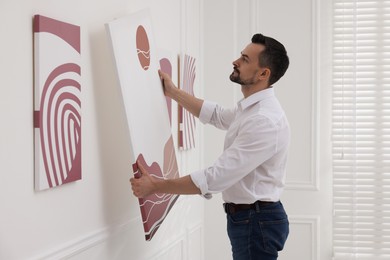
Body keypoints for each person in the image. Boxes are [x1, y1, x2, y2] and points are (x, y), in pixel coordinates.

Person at [130, 33, 290, 260]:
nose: (236, 61)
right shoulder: (252, 109)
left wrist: (155, 186)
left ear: (264, 74)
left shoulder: (264, 119)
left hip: (256, 221)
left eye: (245, 59)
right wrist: (173, 92)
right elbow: (217, 115)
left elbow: (215, 177)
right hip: (251, 218)